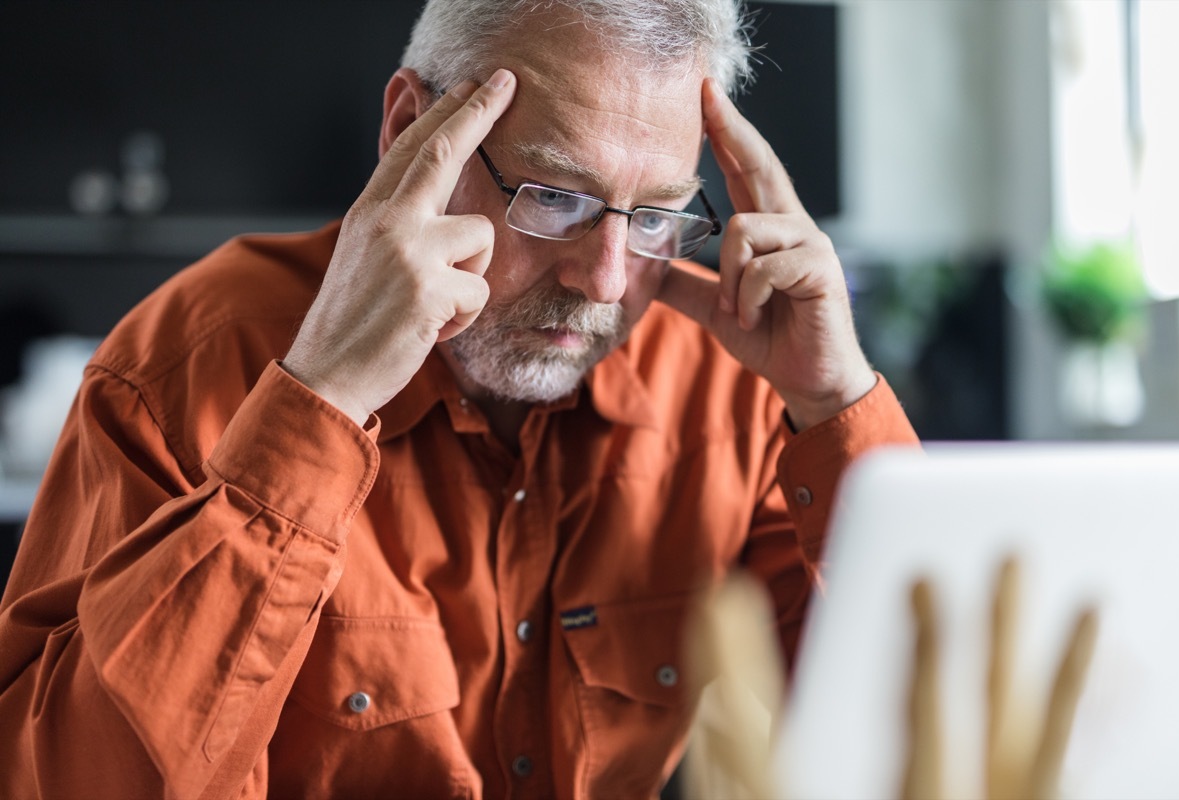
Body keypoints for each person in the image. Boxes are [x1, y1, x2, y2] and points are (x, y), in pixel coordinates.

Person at [0, 1, 918, 797]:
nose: (604, 282)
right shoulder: (184, 366)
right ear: (408, 130)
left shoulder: (725, 387)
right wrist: (321, 399)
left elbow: (927, 738)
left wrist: (833, 400)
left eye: (654, 217)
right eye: (556, 195)